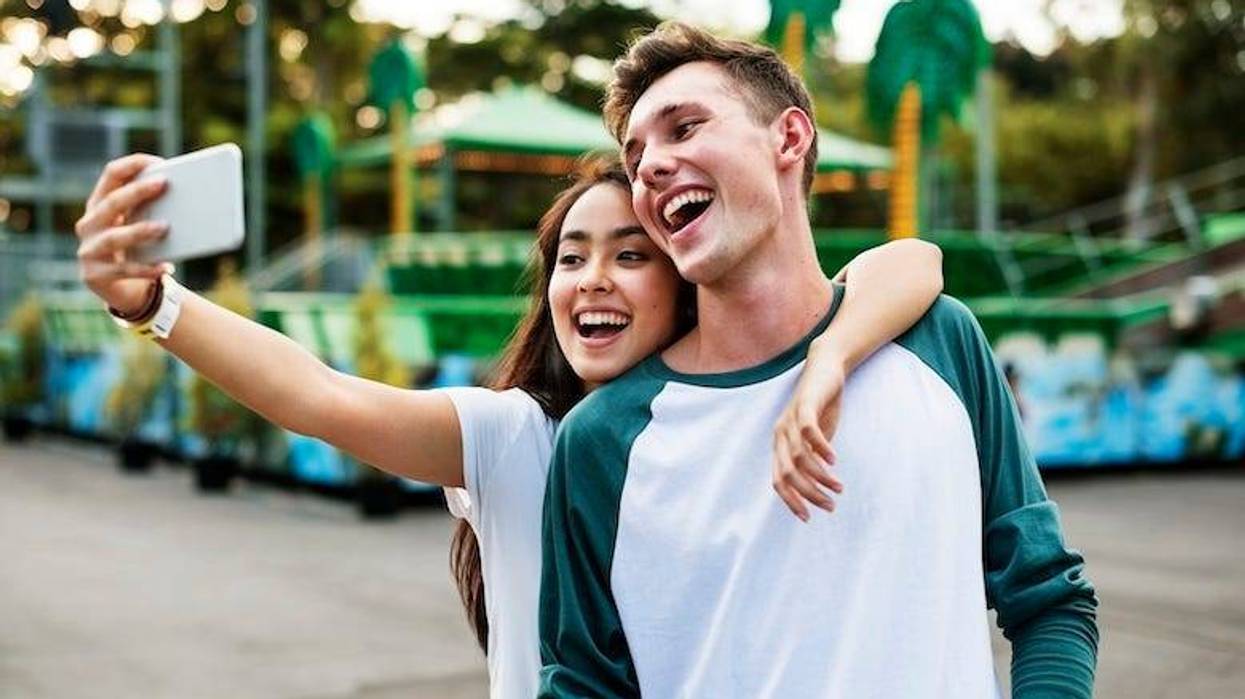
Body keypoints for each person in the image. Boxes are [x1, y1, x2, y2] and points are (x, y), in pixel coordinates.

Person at [73, 152, 943, 698]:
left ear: (685, 279)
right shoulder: (518, 435)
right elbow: (318, 395)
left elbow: (910, 261)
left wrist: (828, 357)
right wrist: (155, 303)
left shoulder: (749, 410)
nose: (591, 278)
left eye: (629, 254)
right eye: (571, 257)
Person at [537, 23, 1099, 699]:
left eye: (683, 127)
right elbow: (580, 685)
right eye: (635, 156)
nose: (649, 164)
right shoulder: (602, 439)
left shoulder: (938, 342)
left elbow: (1048, 600)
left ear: (789, 137)